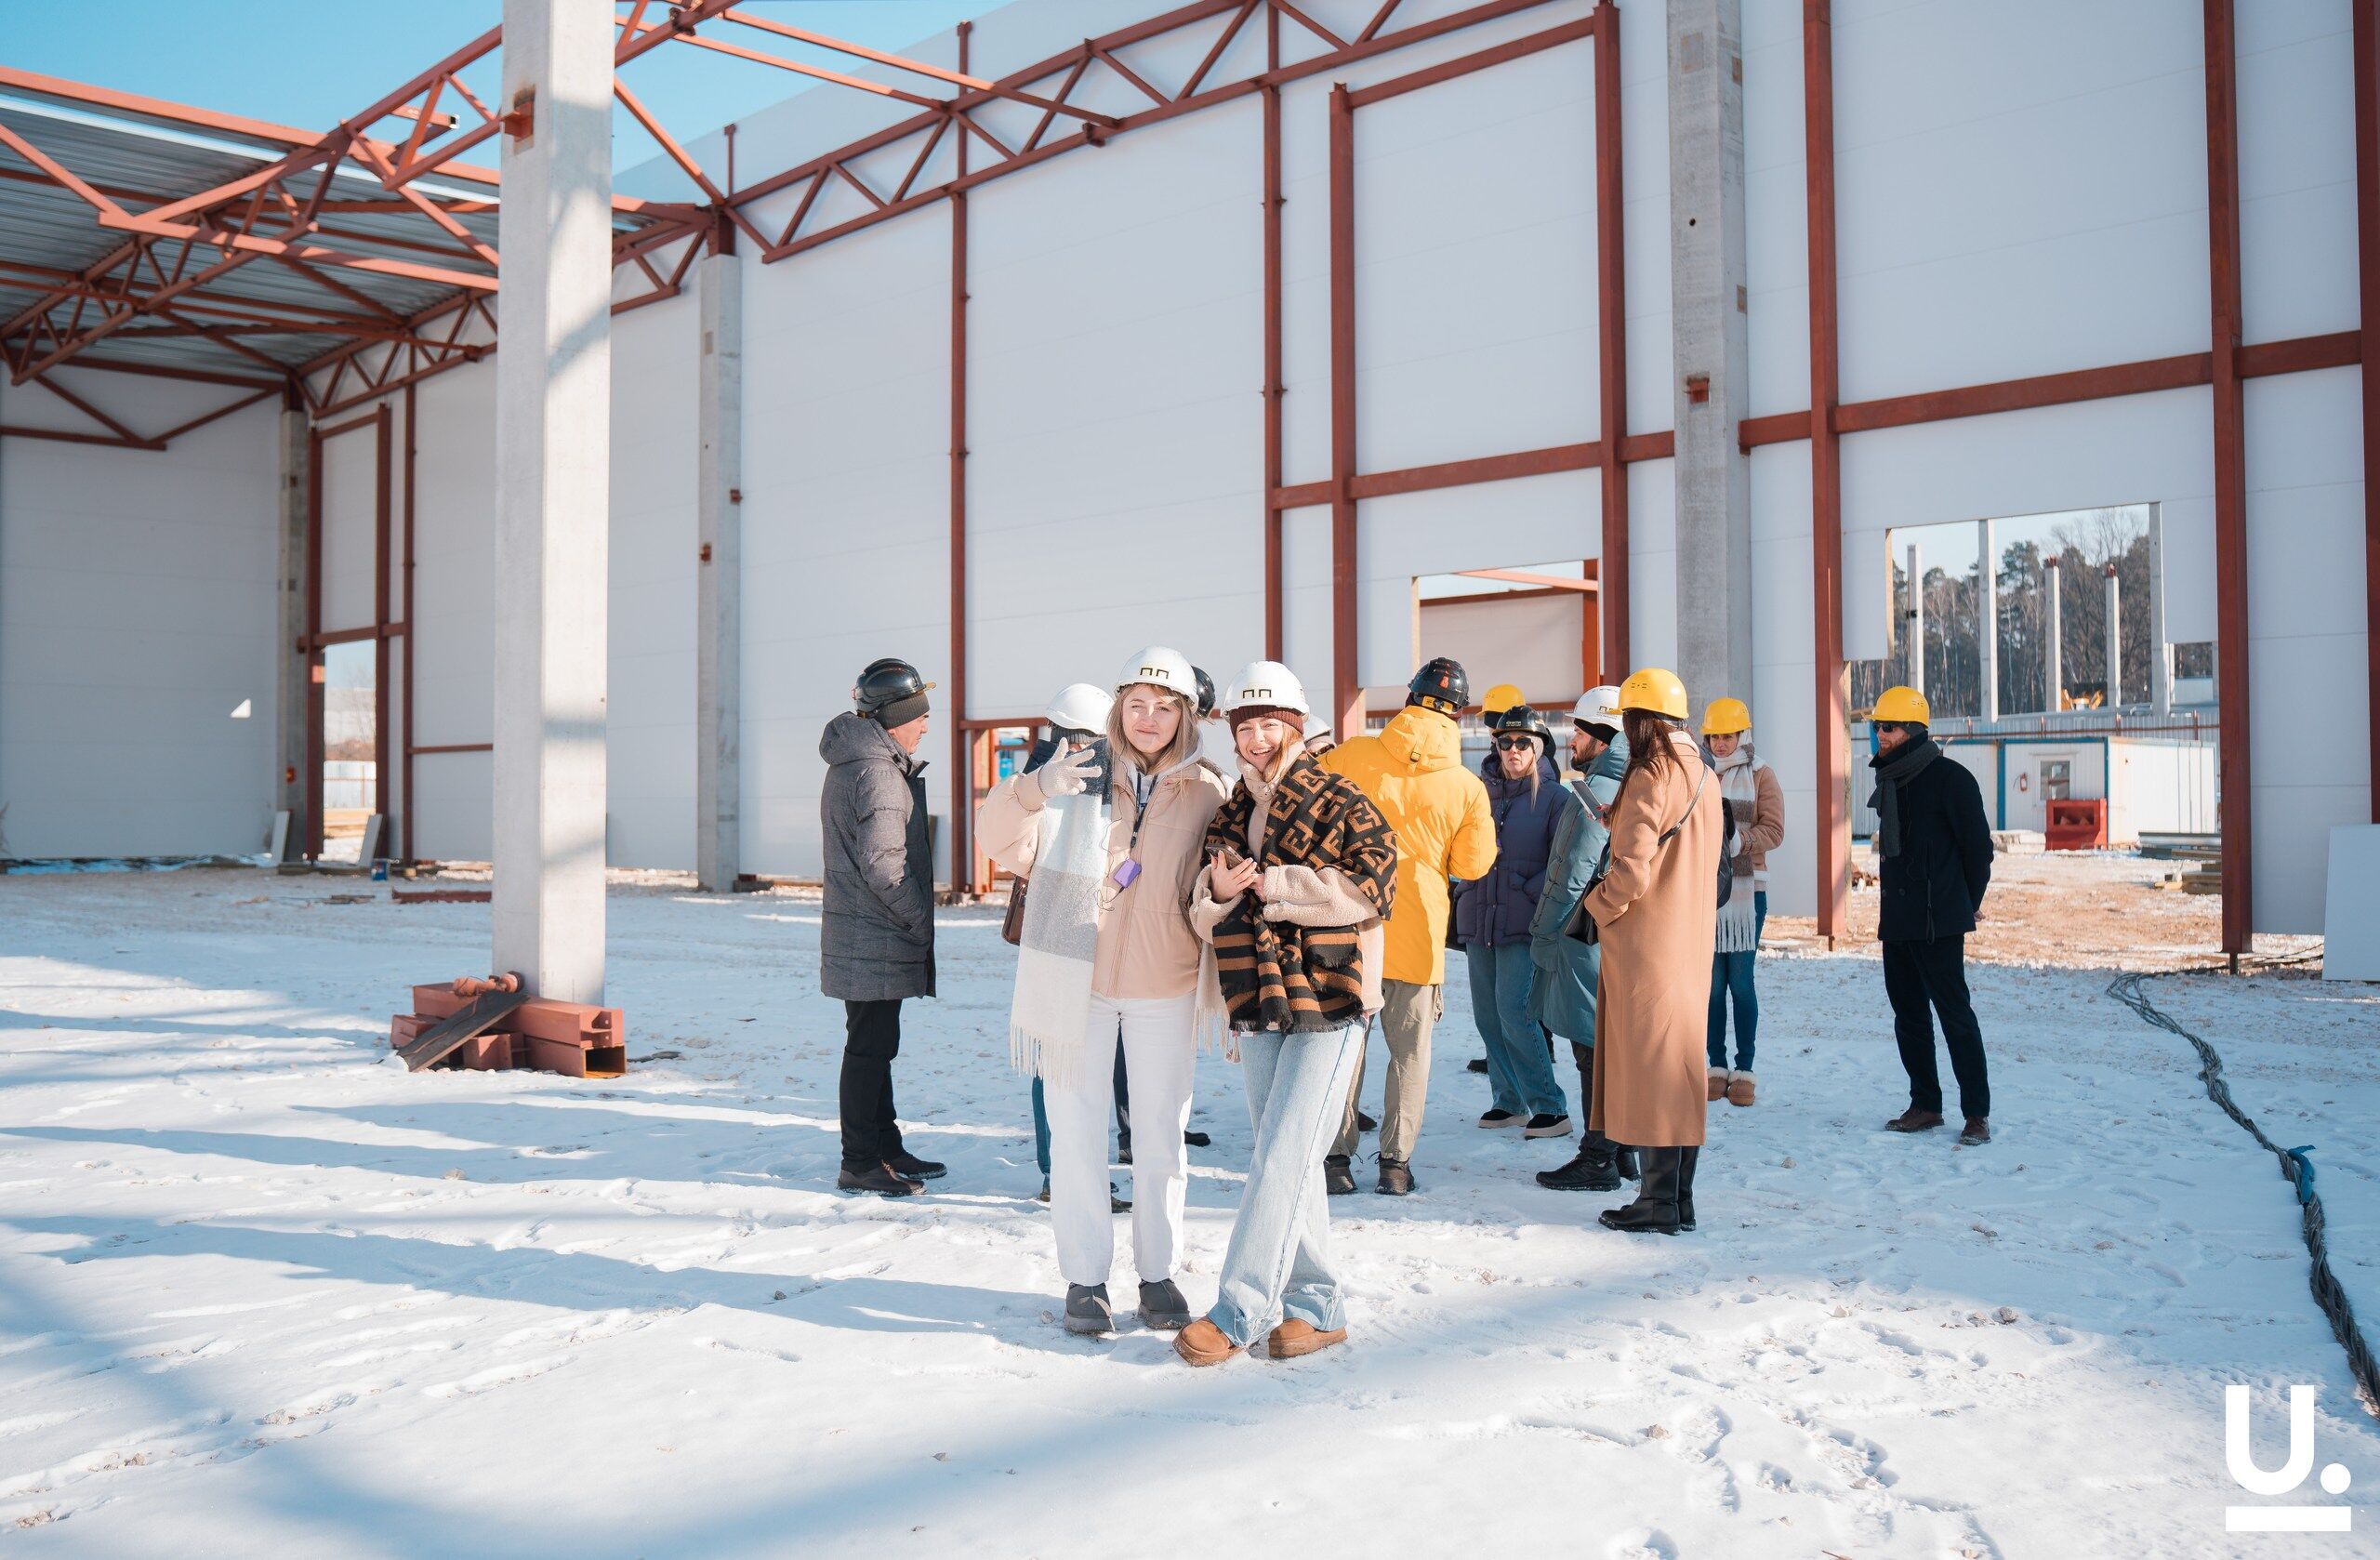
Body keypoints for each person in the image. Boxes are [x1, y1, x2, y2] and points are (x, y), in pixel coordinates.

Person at [978, 646, 1229, 1335]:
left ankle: (1158, 1275)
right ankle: (1085, 1279)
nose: (1149, 718)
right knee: (1076, 1135)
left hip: (1165, 984)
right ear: (1119, 709)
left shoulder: (1209, 790)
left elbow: (1212, 886)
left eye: (1165, 707)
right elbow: (998, 842)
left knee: (1160, 1138)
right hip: (1075, 980)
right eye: (1137, 705)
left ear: (1186, 716)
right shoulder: (1079, 772)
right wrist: (1036, 787)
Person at [1175, 661, 1397, 1365]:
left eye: (1271, 724)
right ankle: (1319, 1305)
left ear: (1295, 726)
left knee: (1282, 1154)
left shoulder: (1341, 797)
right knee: (1286, 1155)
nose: (1258, 739)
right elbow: (1202, 914)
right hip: (1256, 998)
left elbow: (1374, 887)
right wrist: (1218, 891)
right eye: (1247, 727)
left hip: (1333, 997)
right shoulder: (1230, 811)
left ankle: (1238, 1308)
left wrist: (1275, 885)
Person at [1317, 656, 1497, 1196]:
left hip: (1348, 925)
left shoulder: (1350, 756)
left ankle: (1335, 1159)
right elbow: (1472, 865)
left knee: (1344, 1050)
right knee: (1410, 1055)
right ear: (1459, 714)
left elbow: (1311, 814)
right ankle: (1395, 1165)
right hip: (1418, 934)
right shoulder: (1467, 786)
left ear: (1409, 699)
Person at [1582, 668, 1723, 1235]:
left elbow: (1633, 872)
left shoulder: (1651, 771)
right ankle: (1678, 1199)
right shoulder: (1703, 772)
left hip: (1647, 941)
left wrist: (1597, 905)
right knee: (1681, 1064)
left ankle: (1657, 1200)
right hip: (1691, 939)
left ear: (1642, 721)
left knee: (1648, 1068)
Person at [819, 657, 945, 1196]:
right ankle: (860, 1161)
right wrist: (919, 920)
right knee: (869, 1051)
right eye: (920, 716)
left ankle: (885, 1146)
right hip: (876, 931)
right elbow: (885, 868)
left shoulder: (856, 762)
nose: (926, 726)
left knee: (874, 1045)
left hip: (861, 930)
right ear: (895, 719)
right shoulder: (879, 774)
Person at [1015, 683, 1133, 1214]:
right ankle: (1059, 1171)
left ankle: (1064, 1170)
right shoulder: (1042, 785)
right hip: (1067, 937)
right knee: (1059, 1058)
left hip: (1069, 938)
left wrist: (1123, 880)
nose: (1085, 748)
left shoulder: (1043, 778)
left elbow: (1129, 855)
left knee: (1064, 1058)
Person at [1867, 686, 1995, 1146]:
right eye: (1877, 727)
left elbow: (1978, 851)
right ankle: (1925, 1104)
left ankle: (1976, 1113)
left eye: (1889, 727)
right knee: (1909, 1017)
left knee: (1955, 1015)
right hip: (1899, 921)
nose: (1880, 735)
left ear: (1914, 731)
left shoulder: (1951, 779)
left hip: (1939, 920)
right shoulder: (1890, 780)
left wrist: (1965, 902)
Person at [1528, 685, 1635, 1191]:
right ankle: (1621, 1149)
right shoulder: (1621, 779)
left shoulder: (1604, 787)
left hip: (1580, 930)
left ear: (1603, 735)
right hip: (1600, 930)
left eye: (1580, 731)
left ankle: (1599, 1156)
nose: (1571, 739)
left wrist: (1546, 930)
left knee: (1590, 1045)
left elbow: (1575, 869)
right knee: (1603, 1041)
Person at [1455, 703, 1571, 1137]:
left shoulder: (1555, 798)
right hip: (1479, 917)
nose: (1514, 750)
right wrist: (1464, 885)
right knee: (1487, 1017)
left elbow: (1564, 860)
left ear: (1539, 748)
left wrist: (1527, 889)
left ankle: (1550, 1105)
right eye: (1506, 742)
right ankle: (1508, 1100)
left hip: (1523, 923)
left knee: (1516, 1013)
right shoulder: (1477, 794)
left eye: (1524, 742)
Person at [1701, 698, 1786, 1107]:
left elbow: (1775, 830)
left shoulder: (1761, 774)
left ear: (1743, 735)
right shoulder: (1699, 773)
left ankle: (1745, 1069)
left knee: (1741, 983)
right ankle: (1716, 1067)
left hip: (1748, 894)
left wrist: (1740, 842)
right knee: (1712, 987)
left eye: (1728, 736)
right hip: (1704, 892)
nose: (1720, 743)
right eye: (1714, 736)